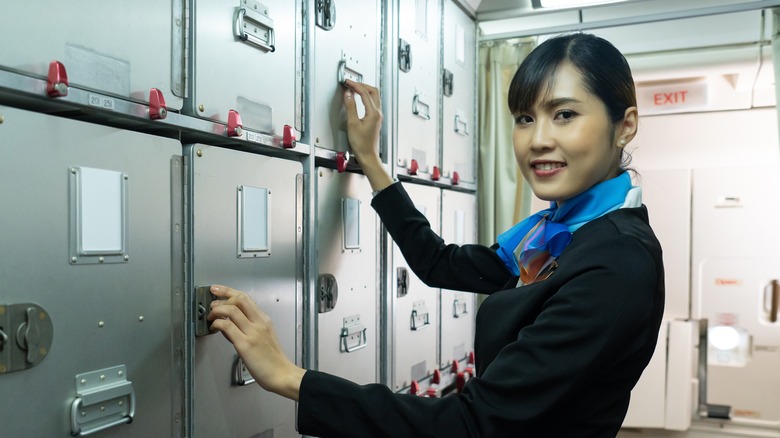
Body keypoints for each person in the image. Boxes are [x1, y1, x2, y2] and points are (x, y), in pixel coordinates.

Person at [208, 33, 664, 437]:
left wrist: (289, 377)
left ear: (624, 125)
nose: (538, 140)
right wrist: (371, 161)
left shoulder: (616, 263)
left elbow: (473, 424)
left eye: (563, 114)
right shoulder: (558, 233)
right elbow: (439, 263)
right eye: (524, 118)